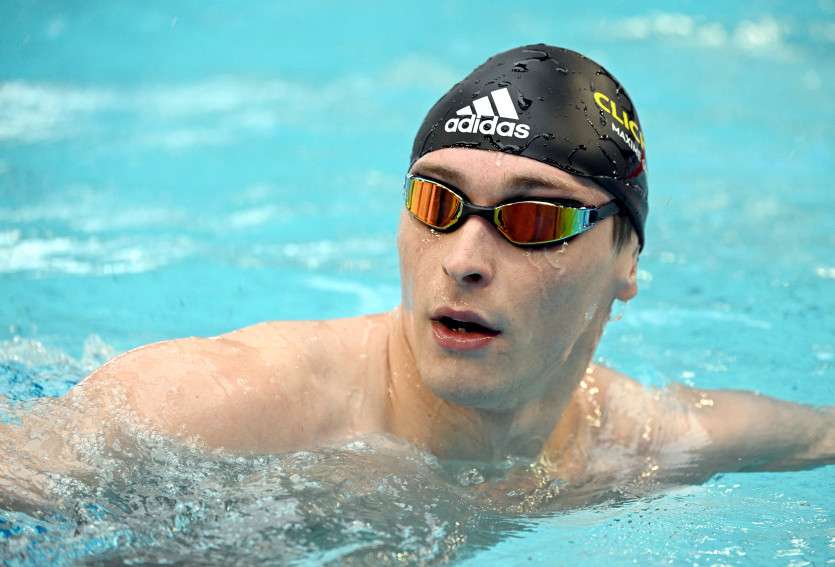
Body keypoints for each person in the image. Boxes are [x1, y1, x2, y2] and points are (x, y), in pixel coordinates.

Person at [2, 44, 833, 501]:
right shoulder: (224, 404)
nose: (464, 261)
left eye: (533, 219)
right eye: (439, 205)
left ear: (625, 260)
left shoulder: (640, 444)